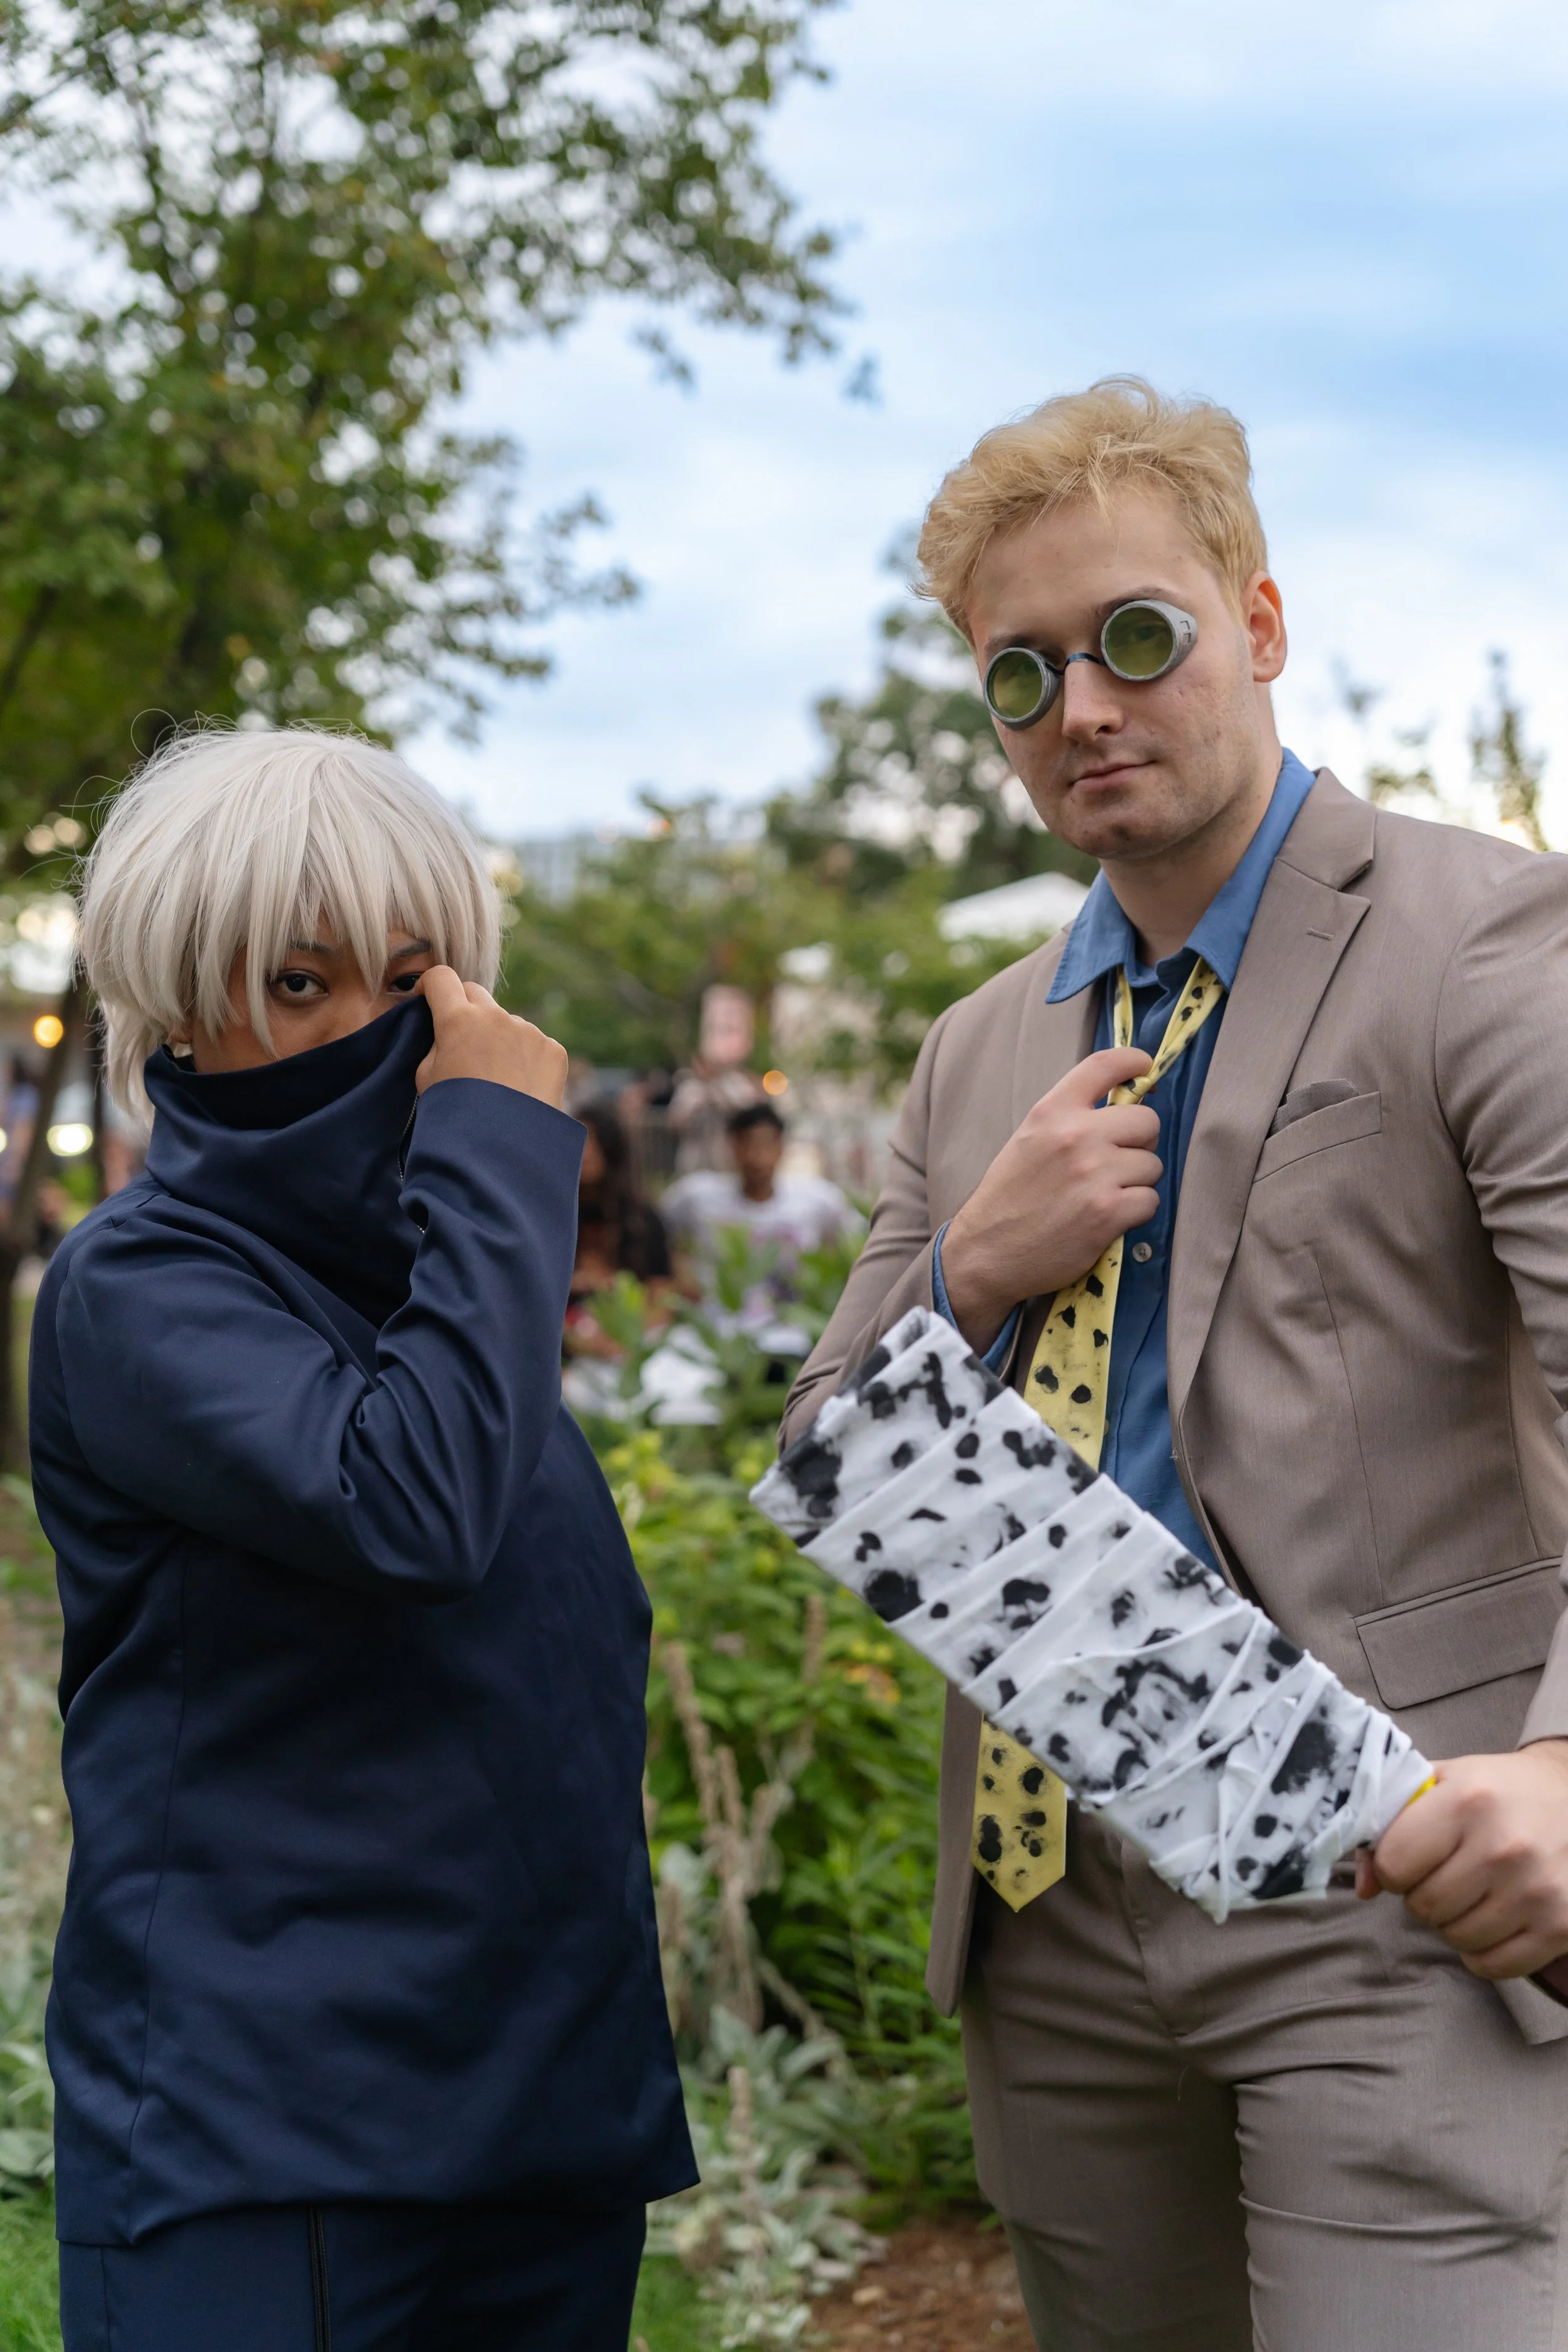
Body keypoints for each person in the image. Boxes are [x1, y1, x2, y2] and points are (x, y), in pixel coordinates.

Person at [781, 377, 1568, 2352]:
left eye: (1134, 637)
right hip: (1050, 1912)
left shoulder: (1478, 939)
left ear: (1260, 625)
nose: (1081, 708)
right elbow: (826, 1438)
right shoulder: (979, 1047)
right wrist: (971, 1261)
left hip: (1386, 1885)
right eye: (1018, 673)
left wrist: (1561, 1763)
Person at [33, 727, 694, 2352]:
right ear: (185, 1005)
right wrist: (496, 1149)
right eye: (301, 981)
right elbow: (413, 1502)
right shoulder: (142, 1283)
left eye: (412, 978)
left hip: (539, 2110)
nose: (375, 1033)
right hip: (274, 2141)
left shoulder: (442, 1270)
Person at [662, 1101, 857, 1325]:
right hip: (717, 1326)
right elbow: (654, 1232)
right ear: (732, 1146)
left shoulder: (818, 1199)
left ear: (782, 1148)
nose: (757, 1157)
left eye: (767, 1145)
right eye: (747, 1144)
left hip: (794, 1326)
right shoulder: (696, 1195)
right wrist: (680, 1273)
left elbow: (856, 1243)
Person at [564, 1095, 675, 1360]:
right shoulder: (550, 1218)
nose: (586, 1151)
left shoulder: (642, 1220)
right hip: (566, 1351)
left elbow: (663, 1300)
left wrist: (626, 1343)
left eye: (594, 1141)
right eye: (579, 1140)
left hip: (632, 1347)